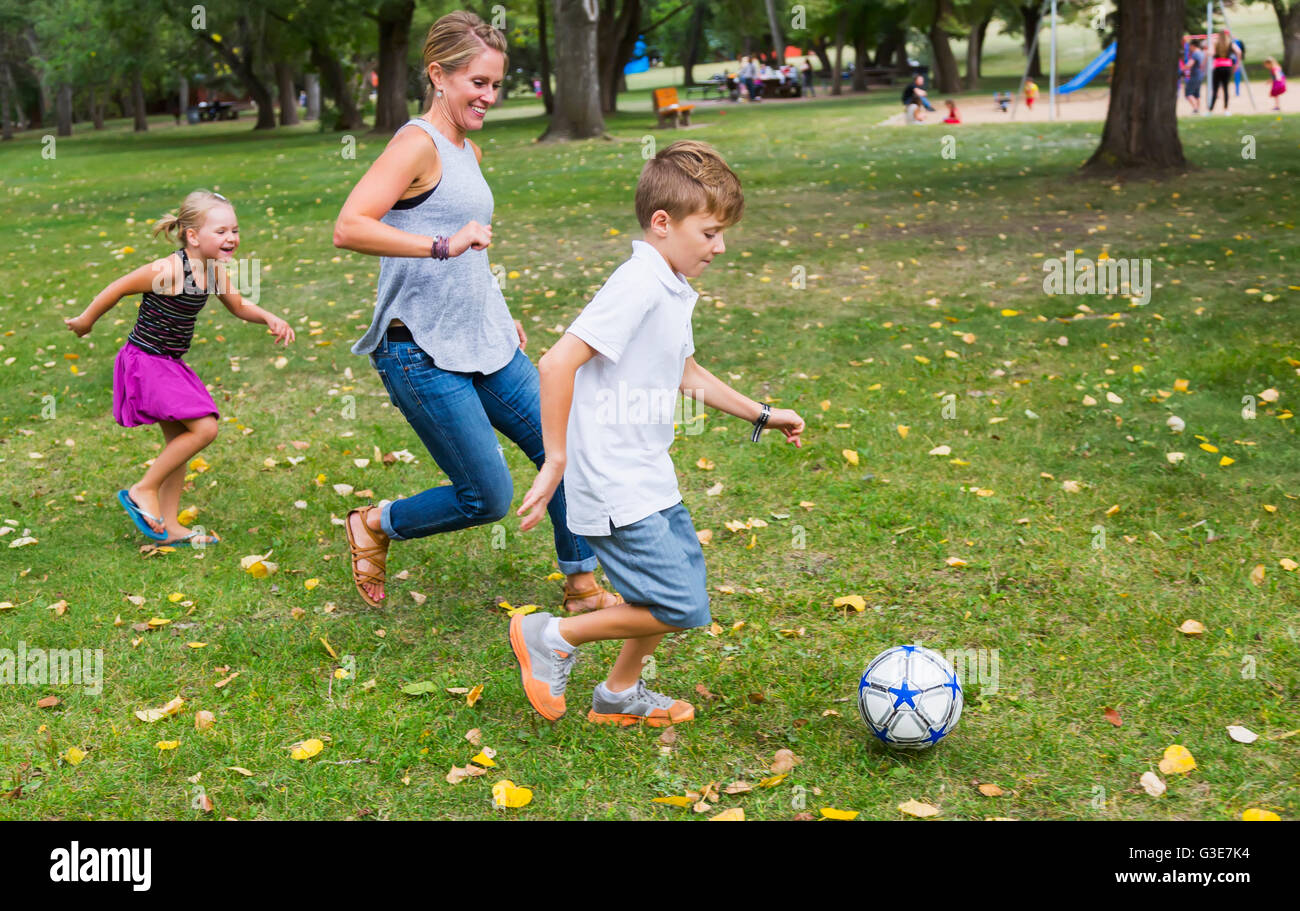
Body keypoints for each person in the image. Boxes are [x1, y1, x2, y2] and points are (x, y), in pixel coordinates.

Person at [333, 11, 623, 615]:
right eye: (479, 83)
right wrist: (441, 245)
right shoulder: (416, 142)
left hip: (485, 338)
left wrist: (498, 307)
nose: (489, 96)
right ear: (439, 75)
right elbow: (350, 226)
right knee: (486, 498)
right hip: (417, 350)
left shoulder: (469, 148)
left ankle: (582, 585)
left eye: (496, 84)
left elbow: (471, 243)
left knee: (565, 445)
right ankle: (375, 522)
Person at [510, 141, 805, 726]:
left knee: (677, 586)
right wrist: (556, 459)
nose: (721, 247)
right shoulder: (637, 284)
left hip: (648, 473)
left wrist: (762, 414)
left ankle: (618, 696)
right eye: (711, 232)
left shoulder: (667, 283)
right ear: (663, 224)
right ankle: (551, 635)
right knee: (681, 605)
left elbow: (686, 373)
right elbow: (555, 363)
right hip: (614, 480)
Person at [64, 190, 295, 546]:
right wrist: (85, 321)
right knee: (204, 429)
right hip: (147, 361)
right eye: (220, 231)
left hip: (168, 361)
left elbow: (238, 306)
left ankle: (168, 525)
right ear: (192, 236)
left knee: (180, 441)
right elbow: (117, 288)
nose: (231, 238)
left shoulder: (213, 271)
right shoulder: (170, 269)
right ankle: (144, 489)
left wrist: (268, 317)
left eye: (234, 230)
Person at [1209, 32, 1235, 113]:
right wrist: (1236, 64)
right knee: (1226, 89)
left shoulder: (1215, 43)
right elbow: (1239, 51)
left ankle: (1211, 109)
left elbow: (1211, 53)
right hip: (1227, 67)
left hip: (1218, 67)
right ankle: (1226, 109)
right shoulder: (1230, 44)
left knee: (1215, 89)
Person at [1185, 39, 1205, 114]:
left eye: (1190, 46)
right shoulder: (1201, 53)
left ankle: (1195, 109)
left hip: (1195, 75)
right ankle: (1198, 109)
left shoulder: (1195, 54)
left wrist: (1182, 69)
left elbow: (1189, 64)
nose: (1189, 48)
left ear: (1193, 46)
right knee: (1197, 94)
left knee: (1188, 93)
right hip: (1200, 75)